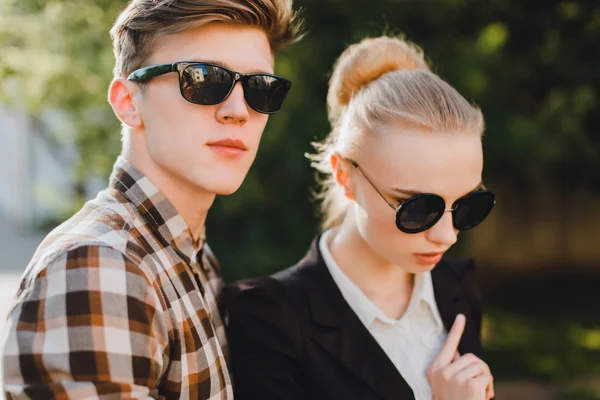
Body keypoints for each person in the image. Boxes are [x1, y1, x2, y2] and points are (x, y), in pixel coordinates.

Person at [2, 0, 303, 398]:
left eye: (260, 88)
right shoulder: (102, 266)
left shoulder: (188, 255)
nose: (238, 111)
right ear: (128, 102)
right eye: (204, 79)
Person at [225, 35, 496, 400]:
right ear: (345, 176)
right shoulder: (269, 319)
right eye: (418, 208)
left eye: (467, 206)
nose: (447, 236)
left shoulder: (456, 286)